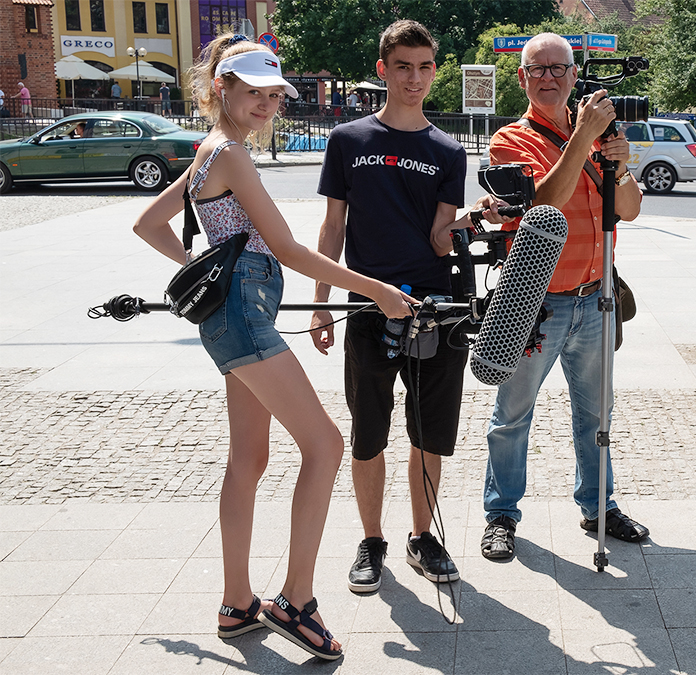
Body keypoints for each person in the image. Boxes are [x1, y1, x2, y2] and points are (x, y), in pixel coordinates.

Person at [133, 34, 416, 661]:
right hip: (243, 313)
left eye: (273, 95)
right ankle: (295, 599)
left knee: (248, 459)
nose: (266, 104)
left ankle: (237, 605)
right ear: (221, 89)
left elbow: (148, 224)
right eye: (253, 92)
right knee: (325, 444)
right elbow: (287, 248)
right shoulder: (228, 153)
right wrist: (377, 291)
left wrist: (203, 272)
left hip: (235, 309)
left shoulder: (209, 151)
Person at [310, 19, 508, 593]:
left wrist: (473, 217)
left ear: (434, 71)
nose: (415, 78)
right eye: (403, 66)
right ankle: (372, 542)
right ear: (383, 70)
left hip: (435, 312)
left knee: (429, 434)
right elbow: (332, 227)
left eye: (424, 67)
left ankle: (423, 538)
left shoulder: (446, 150)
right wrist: (322, 305)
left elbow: (440, 238)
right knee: (369, 433)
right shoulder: (348, 139)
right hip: (369, 310)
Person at [479, 32, 649, 562]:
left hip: (596, 297)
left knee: (597, 413)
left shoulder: (603, 135)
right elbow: (540, 201)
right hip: (535, 302)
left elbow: (631, 208)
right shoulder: (512, 139)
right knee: (512, 414)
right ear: (524, 78)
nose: (548, 77)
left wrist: (618, 164)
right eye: (537, 70)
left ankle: (599, 505)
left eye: (558, 68)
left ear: (574, 76)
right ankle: (501, 514)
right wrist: (584, 139)